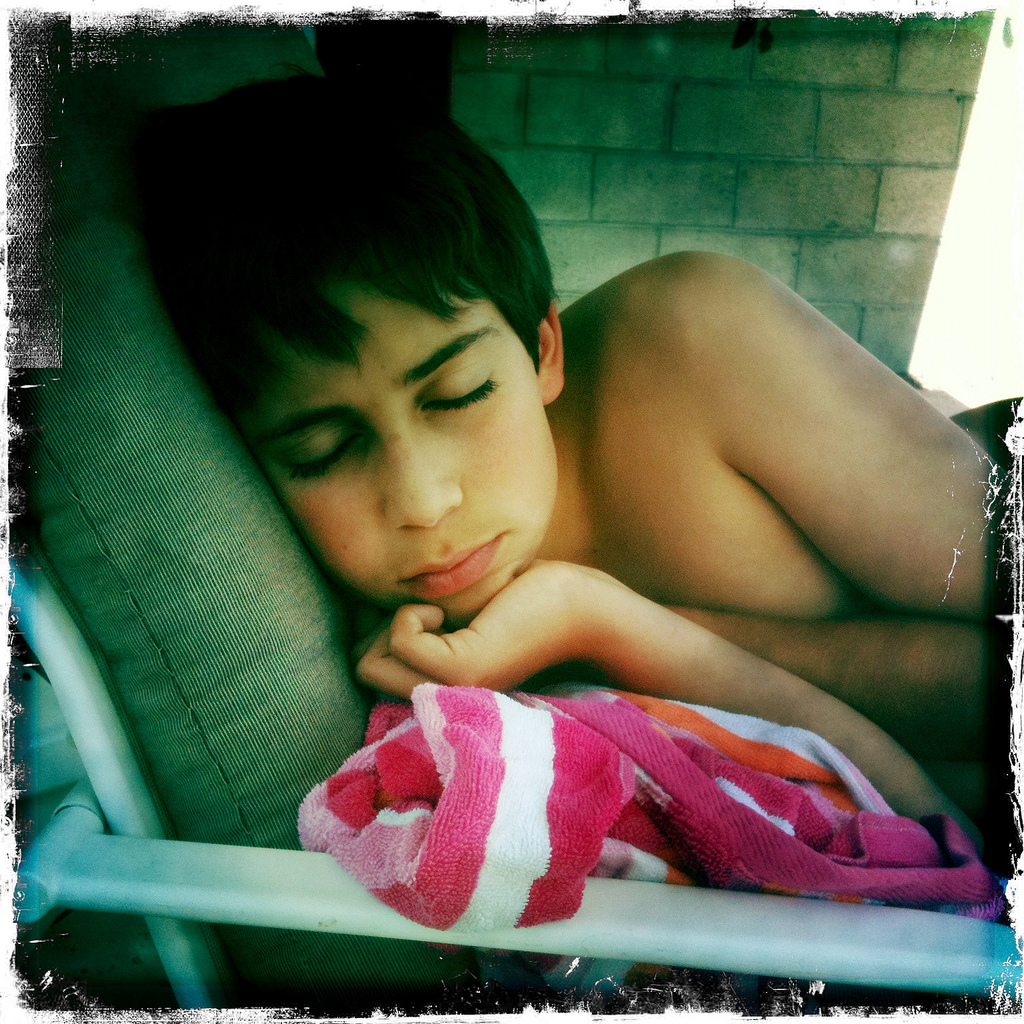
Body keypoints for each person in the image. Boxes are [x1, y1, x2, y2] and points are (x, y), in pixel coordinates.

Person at [136, 73, 1010, 848]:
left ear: (541, 348)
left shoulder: (693, 339)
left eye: (460, 394)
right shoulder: (397, 650)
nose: (424, 501)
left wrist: (609, 630)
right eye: (322, 451)